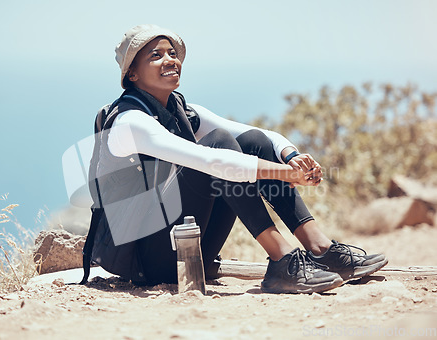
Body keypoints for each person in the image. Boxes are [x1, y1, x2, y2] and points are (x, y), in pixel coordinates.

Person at [85, 24, 388, 294]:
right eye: (156, 55)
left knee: (251, 142)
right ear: (132, 74)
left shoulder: (181, 110)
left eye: (172, 52)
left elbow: (261, 135)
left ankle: (320, 248)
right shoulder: (129, 122)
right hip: (147, 263)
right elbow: (213, 162)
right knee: (218, 146)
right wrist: (284, 175)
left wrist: (292, 158)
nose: (171, 60)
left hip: (192, 248)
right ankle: (282, 260)